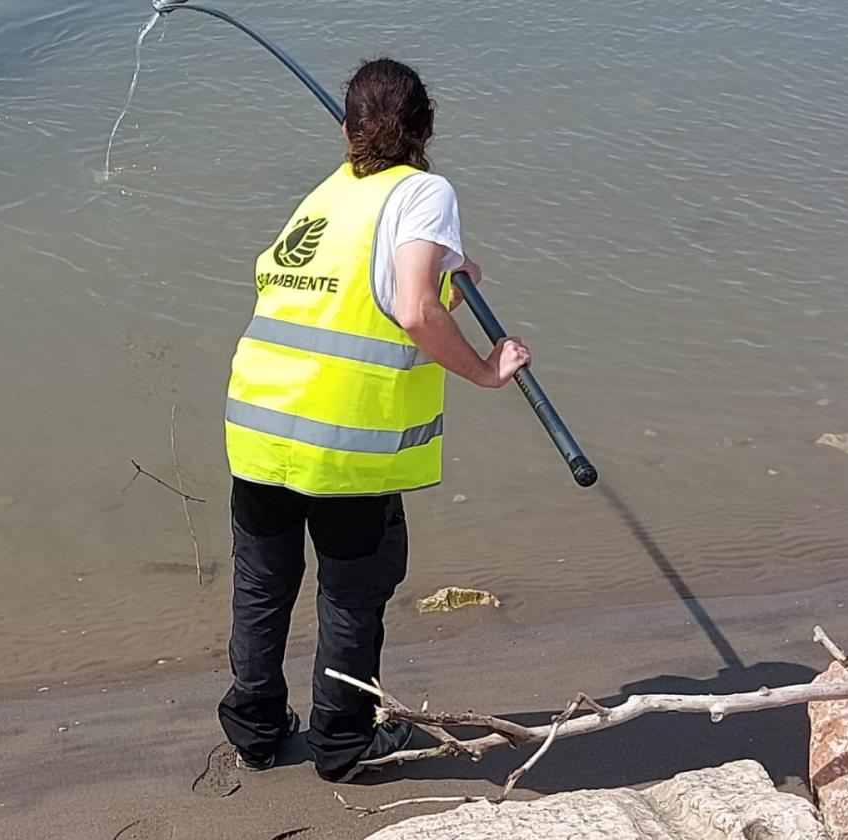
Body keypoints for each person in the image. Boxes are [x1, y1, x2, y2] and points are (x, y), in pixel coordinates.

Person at [217, 58, 533, 782]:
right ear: (427, 126)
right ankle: (341, 741)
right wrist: (487, 370)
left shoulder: (326, 196)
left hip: (261, 422)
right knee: (352, 594)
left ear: (346, 131)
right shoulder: (424, 191)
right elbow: (414, 310)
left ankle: (256, 731)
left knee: (263, 586)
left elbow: (358, 306)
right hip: (345, 441)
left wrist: (449, 298)